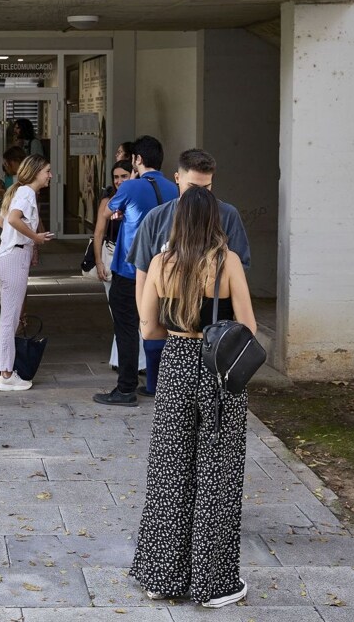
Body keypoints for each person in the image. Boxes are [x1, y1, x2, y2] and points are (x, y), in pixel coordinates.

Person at [131, 187, 256, 609]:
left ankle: (162, 577)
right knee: (217, 474)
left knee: (171, 469)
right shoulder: (227, 262)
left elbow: (148, 329)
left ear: (179, 221)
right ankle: (213, 582)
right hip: (218, 370)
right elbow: (249, 326)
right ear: (214, 222)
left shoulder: (161, 263)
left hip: (177, 364)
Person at [128, 149, 252, 396]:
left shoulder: (228, 215)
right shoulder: (156, 219)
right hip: (170, 334)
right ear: (177, 178)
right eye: (194, 186)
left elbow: (238, 283)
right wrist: (148, 323)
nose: (200, 195)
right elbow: (141, 277)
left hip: (213, 344)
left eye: (207, 188)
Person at [93, 135, 178, 408]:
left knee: (127, 328)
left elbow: (108, 211)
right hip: (165, 269)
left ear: (137, 160)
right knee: (162, 325)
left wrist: (125, 201)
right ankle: (158, 384)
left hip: (130, 270)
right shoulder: (174, 188)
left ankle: (126, 388)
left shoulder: (131, 187)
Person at [0, 155, 55, 391]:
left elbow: (2, 221)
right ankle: (6, 373)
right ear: (37, 171)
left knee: (9, 316)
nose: (50, 175)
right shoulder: (27, 193)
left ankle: (4, 371)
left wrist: (27, 243)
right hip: (14, 258)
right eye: (47, 171)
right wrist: (34, 238)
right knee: (11, 318)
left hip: (11, 256)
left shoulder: (19, 191)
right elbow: (13, 219)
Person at [93, 159, 145, 376]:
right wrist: (98, 261)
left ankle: (134, 362)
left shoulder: (139, 195)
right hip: (112, 254)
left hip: (135, 260)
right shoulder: (108, 200)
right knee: (119, 313)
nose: (119, 181)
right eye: (116, 177)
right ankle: (120, 359)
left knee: (137, 313)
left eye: (124, 176)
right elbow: (98, 232)